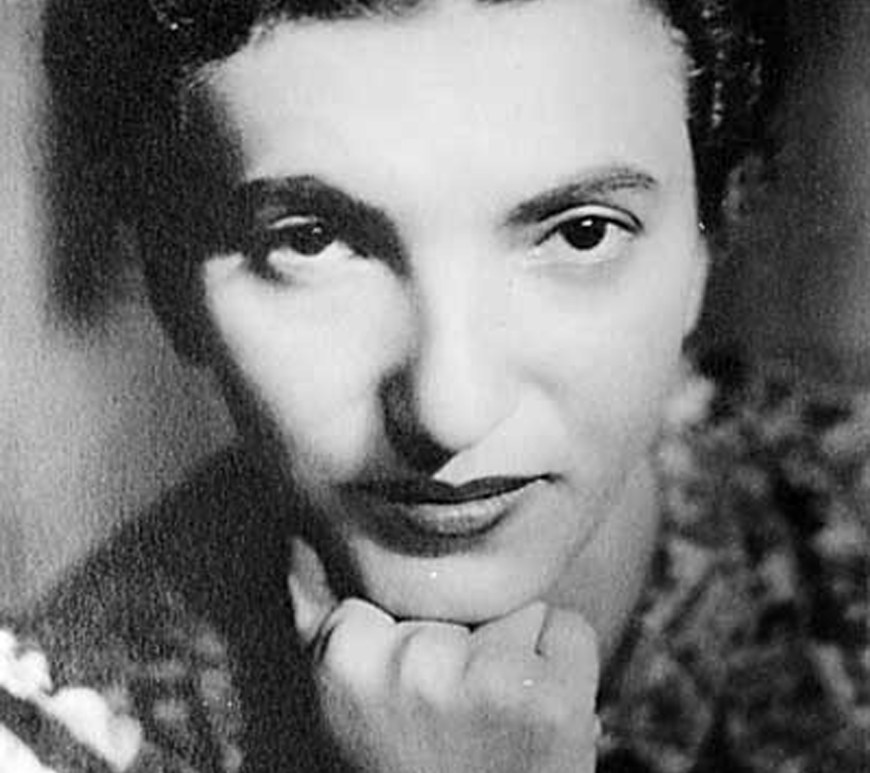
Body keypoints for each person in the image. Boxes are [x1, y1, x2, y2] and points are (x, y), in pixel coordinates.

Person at [1, 0, 868, 771]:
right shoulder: (54, 733)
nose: (451, 410)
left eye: (581, 232)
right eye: (309, 241)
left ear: (707, 243)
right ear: (171, 285)